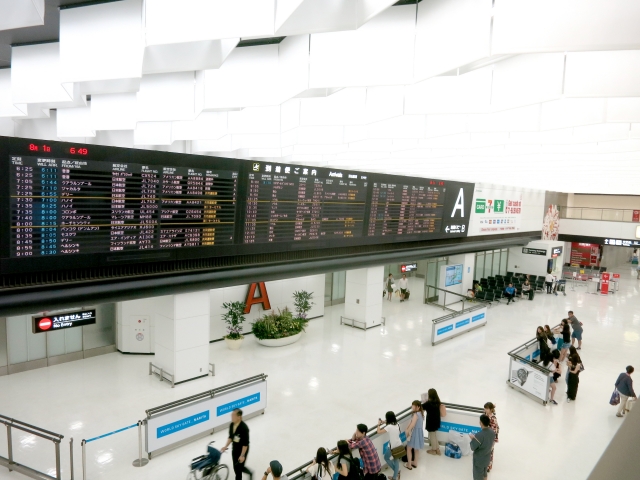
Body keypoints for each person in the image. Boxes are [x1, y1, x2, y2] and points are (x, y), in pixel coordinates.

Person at [221, 409, 253, 480]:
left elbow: (245, 444)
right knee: (236, 468)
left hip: (242, 450)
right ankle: (248, 472)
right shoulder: (232, 425)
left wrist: (242, 455)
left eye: (233, 415)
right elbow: (231, 437)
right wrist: (225, 446)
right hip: (235, 449)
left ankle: (248, 474)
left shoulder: (244, 428)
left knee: (239, 470)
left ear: (239, 417)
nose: (231, 417)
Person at [469, 415, 495, 480]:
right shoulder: (492, 432)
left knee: (478, 477)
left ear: (481, 423)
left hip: (479, 460)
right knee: (484, 474)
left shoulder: (479, 435)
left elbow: (472, 447)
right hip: (486, 458)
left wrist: (473, 439)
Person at [377, 412, 402, 480]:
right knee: (396, 461)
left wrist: (379, 424)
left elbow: (379, 432)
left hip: (392, 447)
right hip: (399, 444)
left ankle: (396, 473)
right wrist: (384, 422)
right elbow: (390, 424)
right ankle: (395, 476)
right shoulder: (398, 424)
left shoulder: (389, 427)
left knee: (386, 458)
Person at [422, 389, 446, 456]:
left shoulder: (428, 403)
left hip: (431, 422)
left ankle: (434, 450)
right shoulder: (437, 402)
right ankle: (437, 449)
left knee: (432, 436)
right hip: (436, 420)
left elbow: (421, 407)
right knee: (434, 435)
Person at [404, 401, 424, 470]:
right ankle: (415, 462)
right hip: (419, 433)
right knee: (416, 449)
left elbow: (412, 424)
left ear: (418, 407)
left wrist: (407, 431)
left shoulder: (416, 415)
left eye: (414, 406)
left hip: (414, 433)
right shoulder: (421, 414)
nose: (412, 407)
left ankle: (409, 465)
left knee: (409, 448)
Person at [483, 403, 499, 473]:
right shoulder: (486, 415)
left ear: (490, 409)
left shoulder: (493, 418)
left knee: (489, 452)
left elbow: (494, 429)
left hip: (490, 437)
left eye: (486, 408)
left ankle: (488, 466)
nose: (485, 410)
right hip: (485, 436)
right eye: (485, 408)